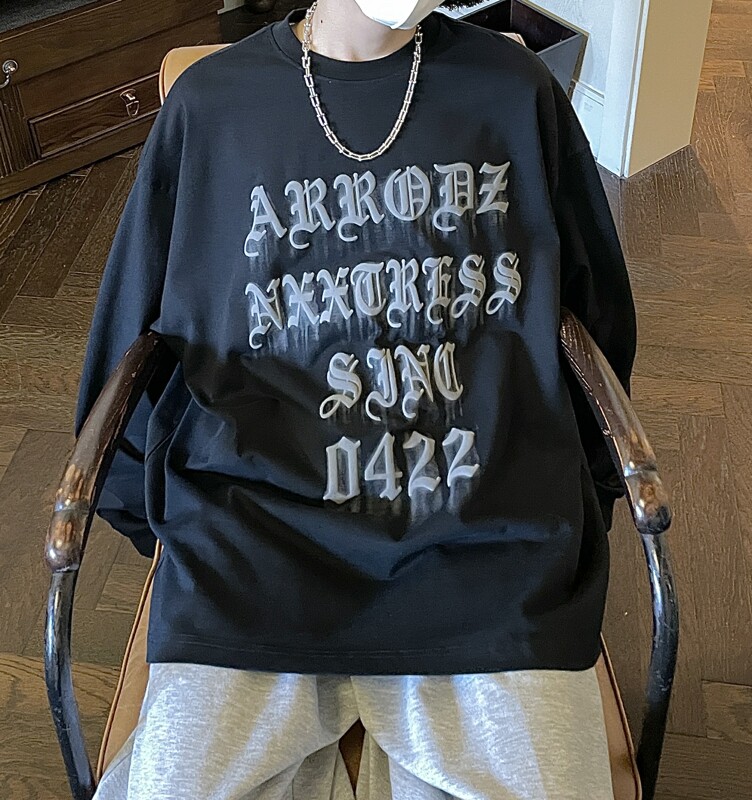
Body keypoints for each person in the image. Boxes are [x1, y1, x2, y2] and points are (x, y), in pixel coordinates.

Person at [81, 1, 636, 797]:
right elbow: (129, 334)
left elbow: (595, 317)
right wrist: (154, 518)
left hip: (482, 553)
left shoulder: (515, 90)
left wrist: (585, 492)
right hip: (255, 557)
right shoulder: (212, 107)